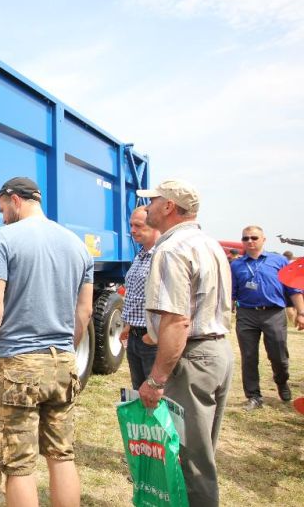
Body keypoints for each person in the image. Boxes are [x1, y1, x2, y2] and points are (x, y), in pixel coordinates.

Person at [0, 176, 94, 507]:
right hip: (64, 362)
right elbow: (83, 311)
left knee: (18, 464)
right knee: (62, 454)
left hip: (19, 365)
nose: (0, 216)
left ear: (15, 200)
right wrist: (66, 349)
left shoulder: (4, 240)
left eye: (1, 207)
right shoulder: (77, 244)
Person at [136, 179, 233, 507]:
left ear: (169, 207)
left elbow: (178, 320)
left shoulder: (171, 248)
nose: (147, 207)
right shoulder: (209, 243)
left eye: (153, 201)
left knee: (190, 462)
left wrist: (156, 379)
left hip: (192, 358)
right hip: (217, 352)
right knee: (203, 451)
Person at [230, 226, 304, 410]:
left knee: (279, 355)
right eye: (245, 238)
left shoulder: (279, 261)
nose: (250, 241)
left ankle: (281, 381)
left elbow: (293, 289)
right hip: (247, 314)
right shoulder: (236, 265)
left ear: (264, 239)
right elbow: (230, 293)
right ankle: (254, 396)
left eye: (254, 237)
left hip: (273, 313)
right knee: (248, 356)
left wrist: (301, 312)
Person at [119, 206, 160, 389]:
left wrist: (155, 336)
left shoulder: (162, 256)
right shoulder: (140, 256)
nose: (132, 230)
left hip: (151, 339)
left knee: (156, 396)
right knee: (140, 392)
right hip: (136, 337)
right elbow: (136, 295)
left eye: (138, 225)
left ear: (155, 225)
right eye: (131, 225)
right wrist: (128, 325)